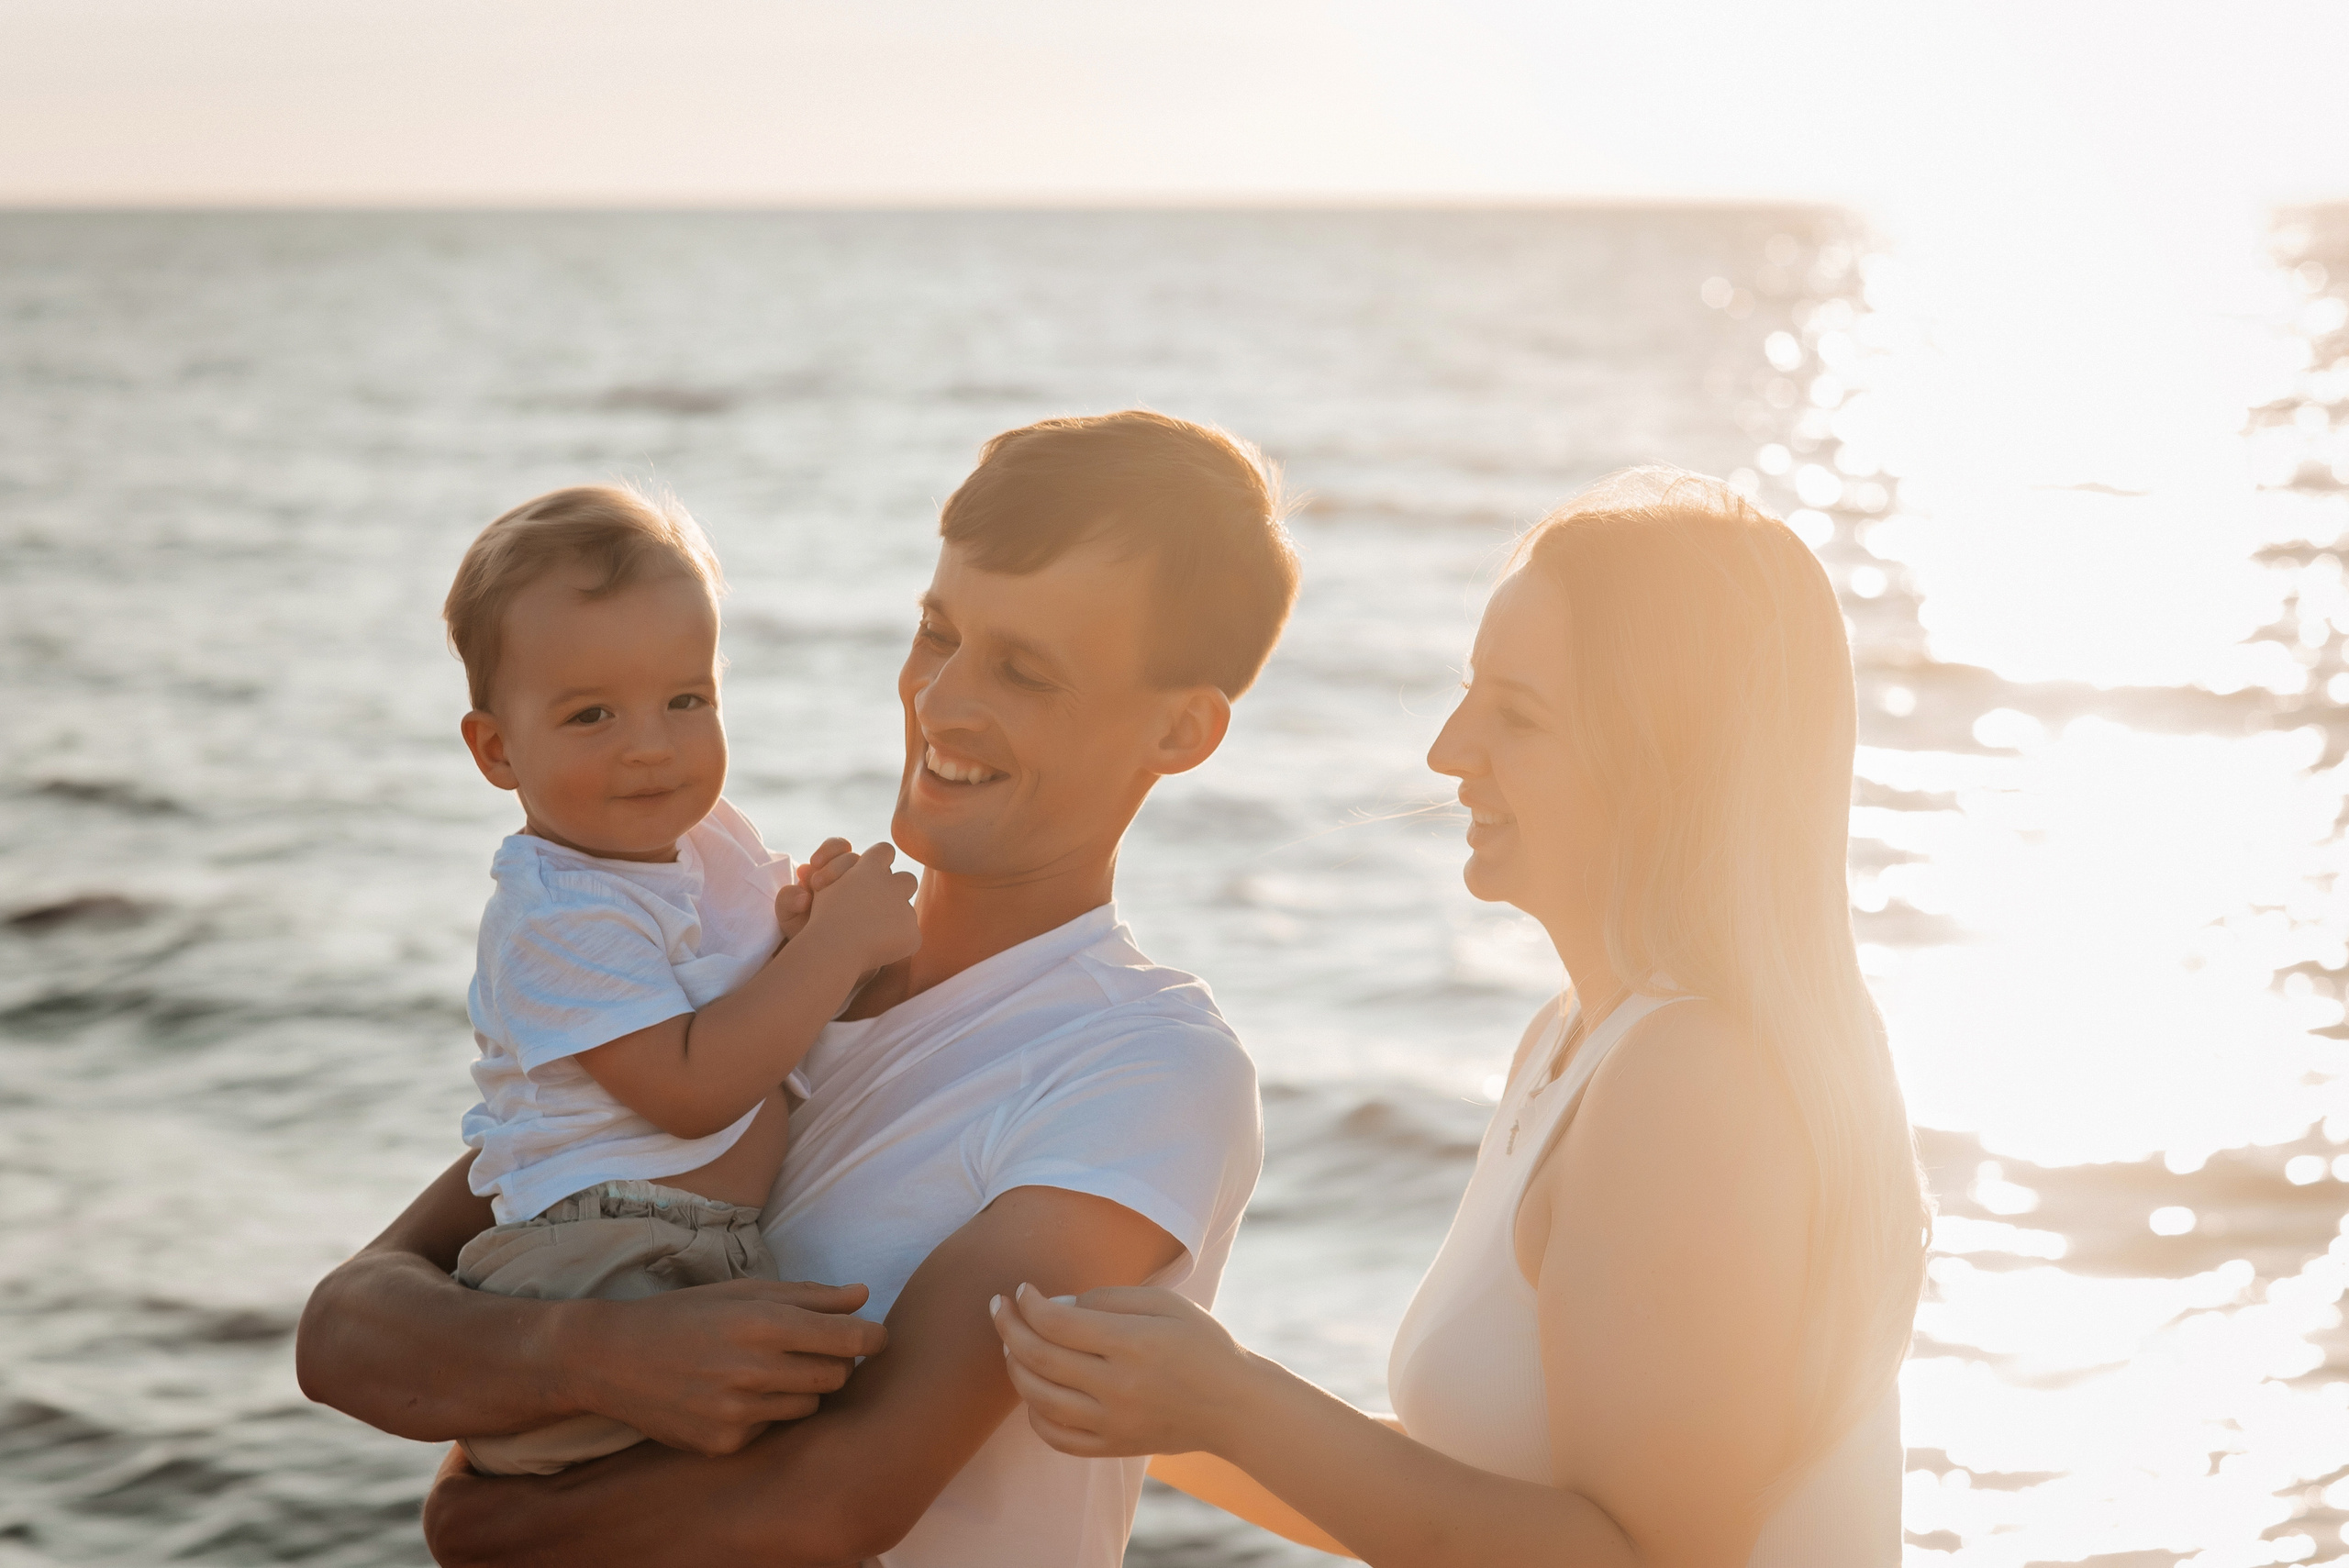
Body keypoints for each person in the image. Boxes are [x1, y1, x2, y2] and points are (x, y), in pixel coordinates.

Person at [294, 409, 1301, 1566]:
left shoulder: (1144, 1066)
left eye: (1023, 669)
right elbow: (349, 1324)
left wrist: (486, 1510)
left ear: (1181, 728)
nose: (942, 699)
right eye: (937, 632)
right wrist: (595, 1357)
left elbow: (829, 1502)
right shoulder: (745, 957)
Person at [992, 469, 1930, 1566]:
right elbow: (1477, 1502)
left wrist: (1234, 1401)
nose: (1447, 749)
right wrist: (1136, 1394)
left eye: (1516, 713)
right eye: (1469, 690)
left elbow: (1645, 1557)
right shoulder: (1575, 1039)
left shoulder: (1690, 1078)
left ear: (1666, 761)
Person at [432, 484, 918, 1475]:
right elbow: (691, 1089)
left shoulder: (707, 841)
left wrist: (803, 930)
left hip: (694, 1250)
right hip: (598, 1263)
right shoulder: (558, 909)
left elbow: (748, 1003)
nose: (651, 744)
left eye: (686, 700)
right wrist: (830, 955)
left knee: (741, 1477)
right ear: (496, 748)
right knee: (617, 1501)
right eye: (591, 713)